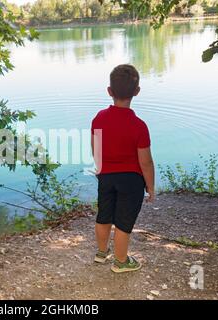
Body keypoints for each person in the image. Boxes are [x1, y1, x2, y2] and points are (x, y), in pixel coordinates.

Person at [91, 64, 155, 273]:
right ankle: (120, 262)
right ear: (136, 92)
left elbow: (96, 150)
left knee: (104, 215)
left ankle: (102, 253)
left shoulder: (99, 118)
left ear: (109, 91)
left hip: (106, 176)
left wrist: (101, 171)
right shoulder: (139, 125)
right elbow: (145, 162)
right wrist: (150, 187)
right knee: (123, 222)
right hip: (131, 180)